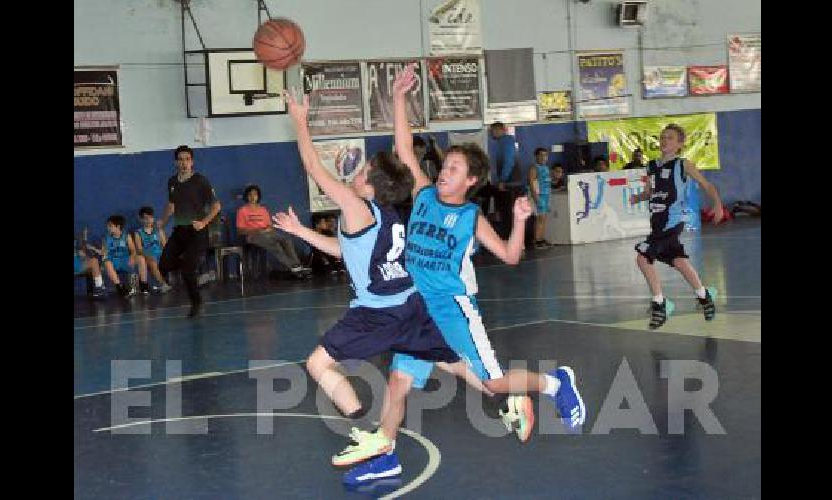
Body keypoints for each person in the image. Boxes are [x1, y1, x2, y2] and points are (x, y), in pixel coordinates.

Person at [340, 63, 587, 485]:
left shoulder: (470, 217)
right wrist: (399, 97)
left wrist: (521, 219)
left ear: (470, 181)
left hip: (453, 309)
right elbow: (403, 147)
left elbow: (510, 257)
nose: (444, 173)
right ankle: (387, 457)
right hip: (418, 310)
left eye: (453, 169)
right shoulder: (421, 194)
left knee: (492, 385)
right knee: (398, 382)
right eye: (444, 166)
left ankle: (555, 382)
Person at [278, 90, 493, 484]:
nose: (356, 174)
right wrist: (299, 231)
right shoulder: (385, 213)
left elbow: (312, 165)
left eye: (362, 172)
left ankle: (364, 431)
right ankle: (509, 396)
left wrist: (299, 119)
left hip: (377, 313)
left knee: (317, 364)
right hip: (411, 305)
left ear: (371, 185)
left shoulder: (358, 207)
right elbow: (345, 252)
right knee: (448, 362)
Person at [629, 124, 724, 329]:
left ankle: (661, 304)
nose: (665, 141)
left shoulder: (683, 165)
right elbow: (649, 192)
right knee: (679, 262)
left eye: (670, 138)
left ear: (680, 144)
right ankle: (704, 296)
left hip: (671, 223)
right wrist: (638, 197)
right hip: (657, 222)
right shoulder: (652, 165)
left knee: (643, 258)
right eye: (662, 137)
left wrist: (717, 205)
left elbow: (707, 185)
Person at [157, 145, 222, 317]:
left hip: (197, 232)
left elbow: (216, 206)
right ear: (176, 162)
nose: (184, 163)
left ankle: (197, 302)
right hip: (179, 231)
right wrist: (162, 222)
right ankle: (195, 270)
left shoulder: (201, 180)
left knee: (187, 269)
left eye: (187, 159)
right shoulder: (172, 181)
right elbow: (171, 206)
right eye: (181, 159)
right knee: (164, 264)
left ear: (192, 162)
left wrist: (203, 222)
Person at [235, 184, 311, 278]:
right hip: (253, 235)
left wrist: (267, 230)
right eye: (250, 194)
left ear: (258, 196)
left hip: (268, 233)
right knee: (274, 245)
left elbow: (270, 226)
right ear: (246, 196)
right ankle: (293, 267)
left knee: (286, 239)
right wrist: (258, 231)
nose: (252, 197)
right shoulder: (242, 210)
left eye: (255, 194)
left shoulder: (263, 209)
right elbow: (240, 230)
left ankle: (298, 265)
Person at [487, 121, 525, 238]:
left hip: (511, 184)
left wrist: (502, 180)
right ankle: (513, 242)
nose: (490, 134)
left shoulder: (506, 142)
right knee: (508, 215)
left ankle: (513, 242)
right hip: (510, 183)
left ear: (499, 130)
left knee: (509, 215)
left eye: (491, 131)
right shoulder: (502, 143)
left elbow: (508, 162)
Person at [101, 215, 149, 297]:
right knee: (107, 262)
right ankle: (120, 287)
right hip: (113, 261)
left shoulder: (126, 236)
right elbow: (104, 253)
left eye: (110, 226)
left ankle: (143, 284)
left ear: (118, 226)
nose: (108, 227)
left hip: (125, 260)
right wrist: (104, 258)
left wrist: (132, 256)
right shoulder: (106, 238)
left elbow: (133, 250)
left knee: (141, 258)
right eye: (108, 225)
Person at [133, 206, 171, 293]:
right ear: (141, 219)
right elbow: (139, 249)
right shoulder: (138, 233)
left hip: (160, 254)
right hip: (148, 255)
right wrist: (148, 255)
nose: (149, 220)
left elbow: (165, 245)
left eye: (150, 217)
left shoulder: (158, 230)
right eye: (146, 218)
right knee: (152, 261)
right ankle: (163, 284)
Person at [527, 147, 553, 249]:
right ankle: (537, 240)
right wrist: (535, 197)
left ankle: (541, 239)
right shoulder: (534, 168)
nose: (543, 157)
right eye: (541, 155)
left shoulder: (546, 168)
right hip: (539, 196)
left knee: (544, 218)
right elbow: (531, 183)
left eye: (545, 155)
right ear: (536, 156)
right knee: (539, 218)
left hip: (546, 196)